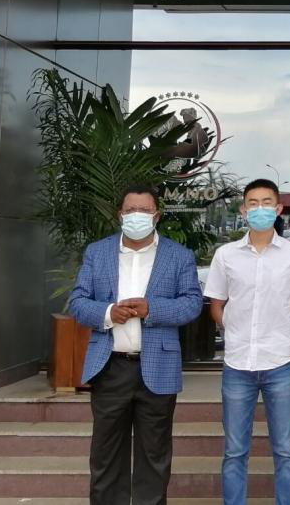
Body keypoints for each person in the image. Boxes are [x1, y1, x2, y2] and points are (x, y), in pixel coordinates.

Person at [68, 185, 204, 505]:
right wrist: (108, 313)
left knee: (154, 456)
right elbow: (77, 302)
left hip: (157, 369)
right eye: (131, 210)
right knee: (106, 456)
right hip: (110, 367)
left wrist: (151, 309)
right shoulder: (98, 252)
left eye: (144, 210)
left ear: (156, 216)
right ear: (120, 215)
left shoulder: (178, 255)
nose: (137, 216)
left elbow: (192, 304)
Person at [204, 178, 290, 505]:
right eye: (253, 203)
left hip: (280, 364)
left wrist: (289, 335)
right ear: (243, 210)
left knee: (286, 450)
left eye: (267, 203)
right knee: (234, 451)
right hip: (237, 365)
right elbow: (216, 304)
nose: (260, 209)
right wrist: (231, 330)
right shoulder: (226, 255)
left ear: (278, 209)